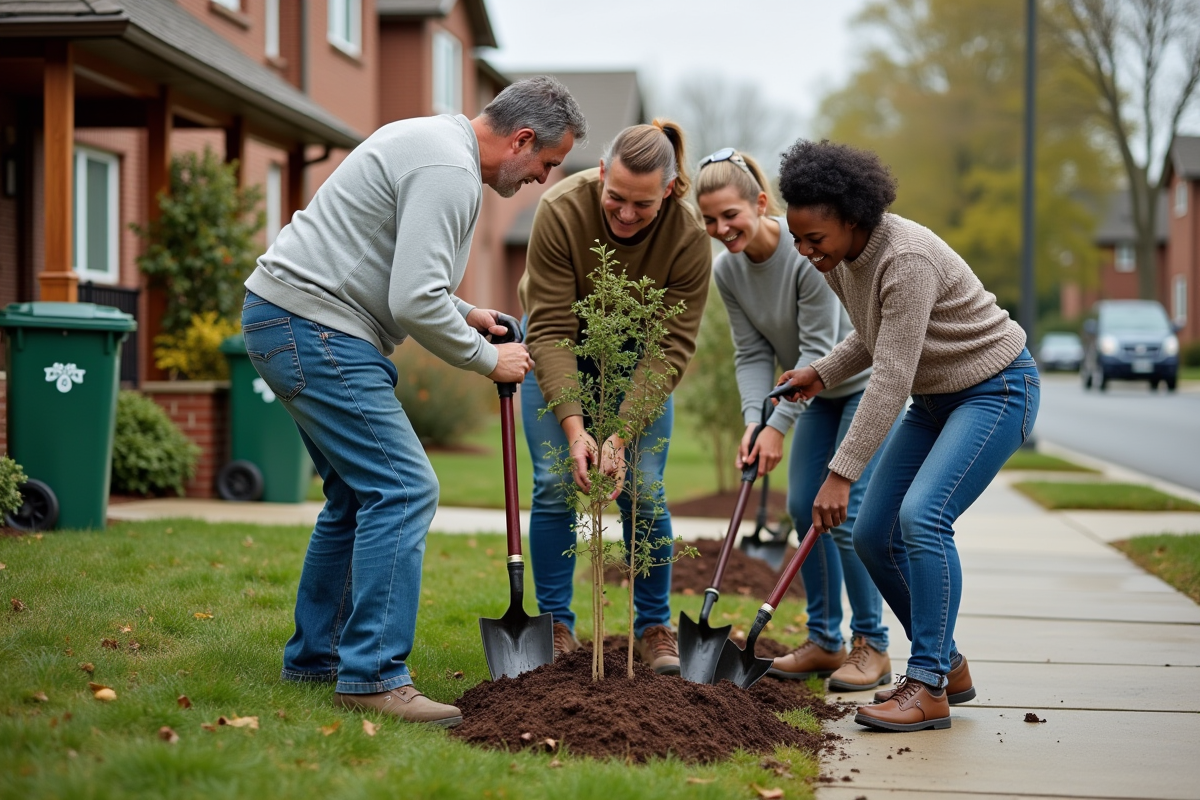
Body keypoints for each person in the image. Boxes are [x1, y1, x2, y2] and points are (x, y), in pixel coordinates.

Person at [241, 77, 586, 727]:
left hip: (288, 318)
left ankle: (318, 657)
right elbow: (412, 301)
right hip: (315, 328)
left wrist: (467, 311)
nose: (543, 178)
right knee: (403, 488)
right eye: (546, 163)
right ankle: (372, 676)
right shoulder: (446, 168)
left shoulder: (432, 141)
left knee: (356, 493)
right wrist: (490, 358)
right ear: (521, 139)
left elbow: (390, 267)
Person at [773, 140, 1039, 732]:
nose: (805, 250)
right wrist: (821, 372)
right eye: (797, 238)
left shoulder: (906, 259)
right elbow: (874, 336)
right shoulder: (843, 261)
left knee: (923, 517)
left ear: (853, 218)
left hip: (996, 389)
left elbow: (891, 376)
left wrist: (840, 474)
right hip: (937, 398)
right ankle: (946, 662)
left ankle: (928, 685)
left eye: (814, 238)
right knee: (872, 534)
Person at [694, 148, 895, 692]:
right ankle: (826, 642)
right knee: (805, 510)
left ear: (759, 203)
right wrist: (753, 422)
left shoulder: (806, 249)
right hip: (811, 397)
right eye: (709, 219)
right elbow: (751, 353)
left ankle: (871, 644)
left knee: (844, 517)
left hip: (860, 388)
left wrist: (777, 427)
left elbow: (816, 349)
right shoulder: (729, 272)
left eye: (730, 215)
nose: (721, 228)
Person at [520, 121, 712, 674]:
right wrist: (578, 431)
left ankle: (653, 625)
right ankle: (556, 623)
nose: (626, 214)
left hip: (640, 362)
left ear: (670, 191)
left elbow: (670, 345)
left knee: (644, 490)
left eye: (643, 205)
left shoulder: (689, 235)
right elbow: (552, 326)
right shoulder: (560, 209)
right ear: (601, 174)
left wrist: (620, 436)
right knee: (555, 481)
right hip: (561, 348)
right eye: (616, 198)